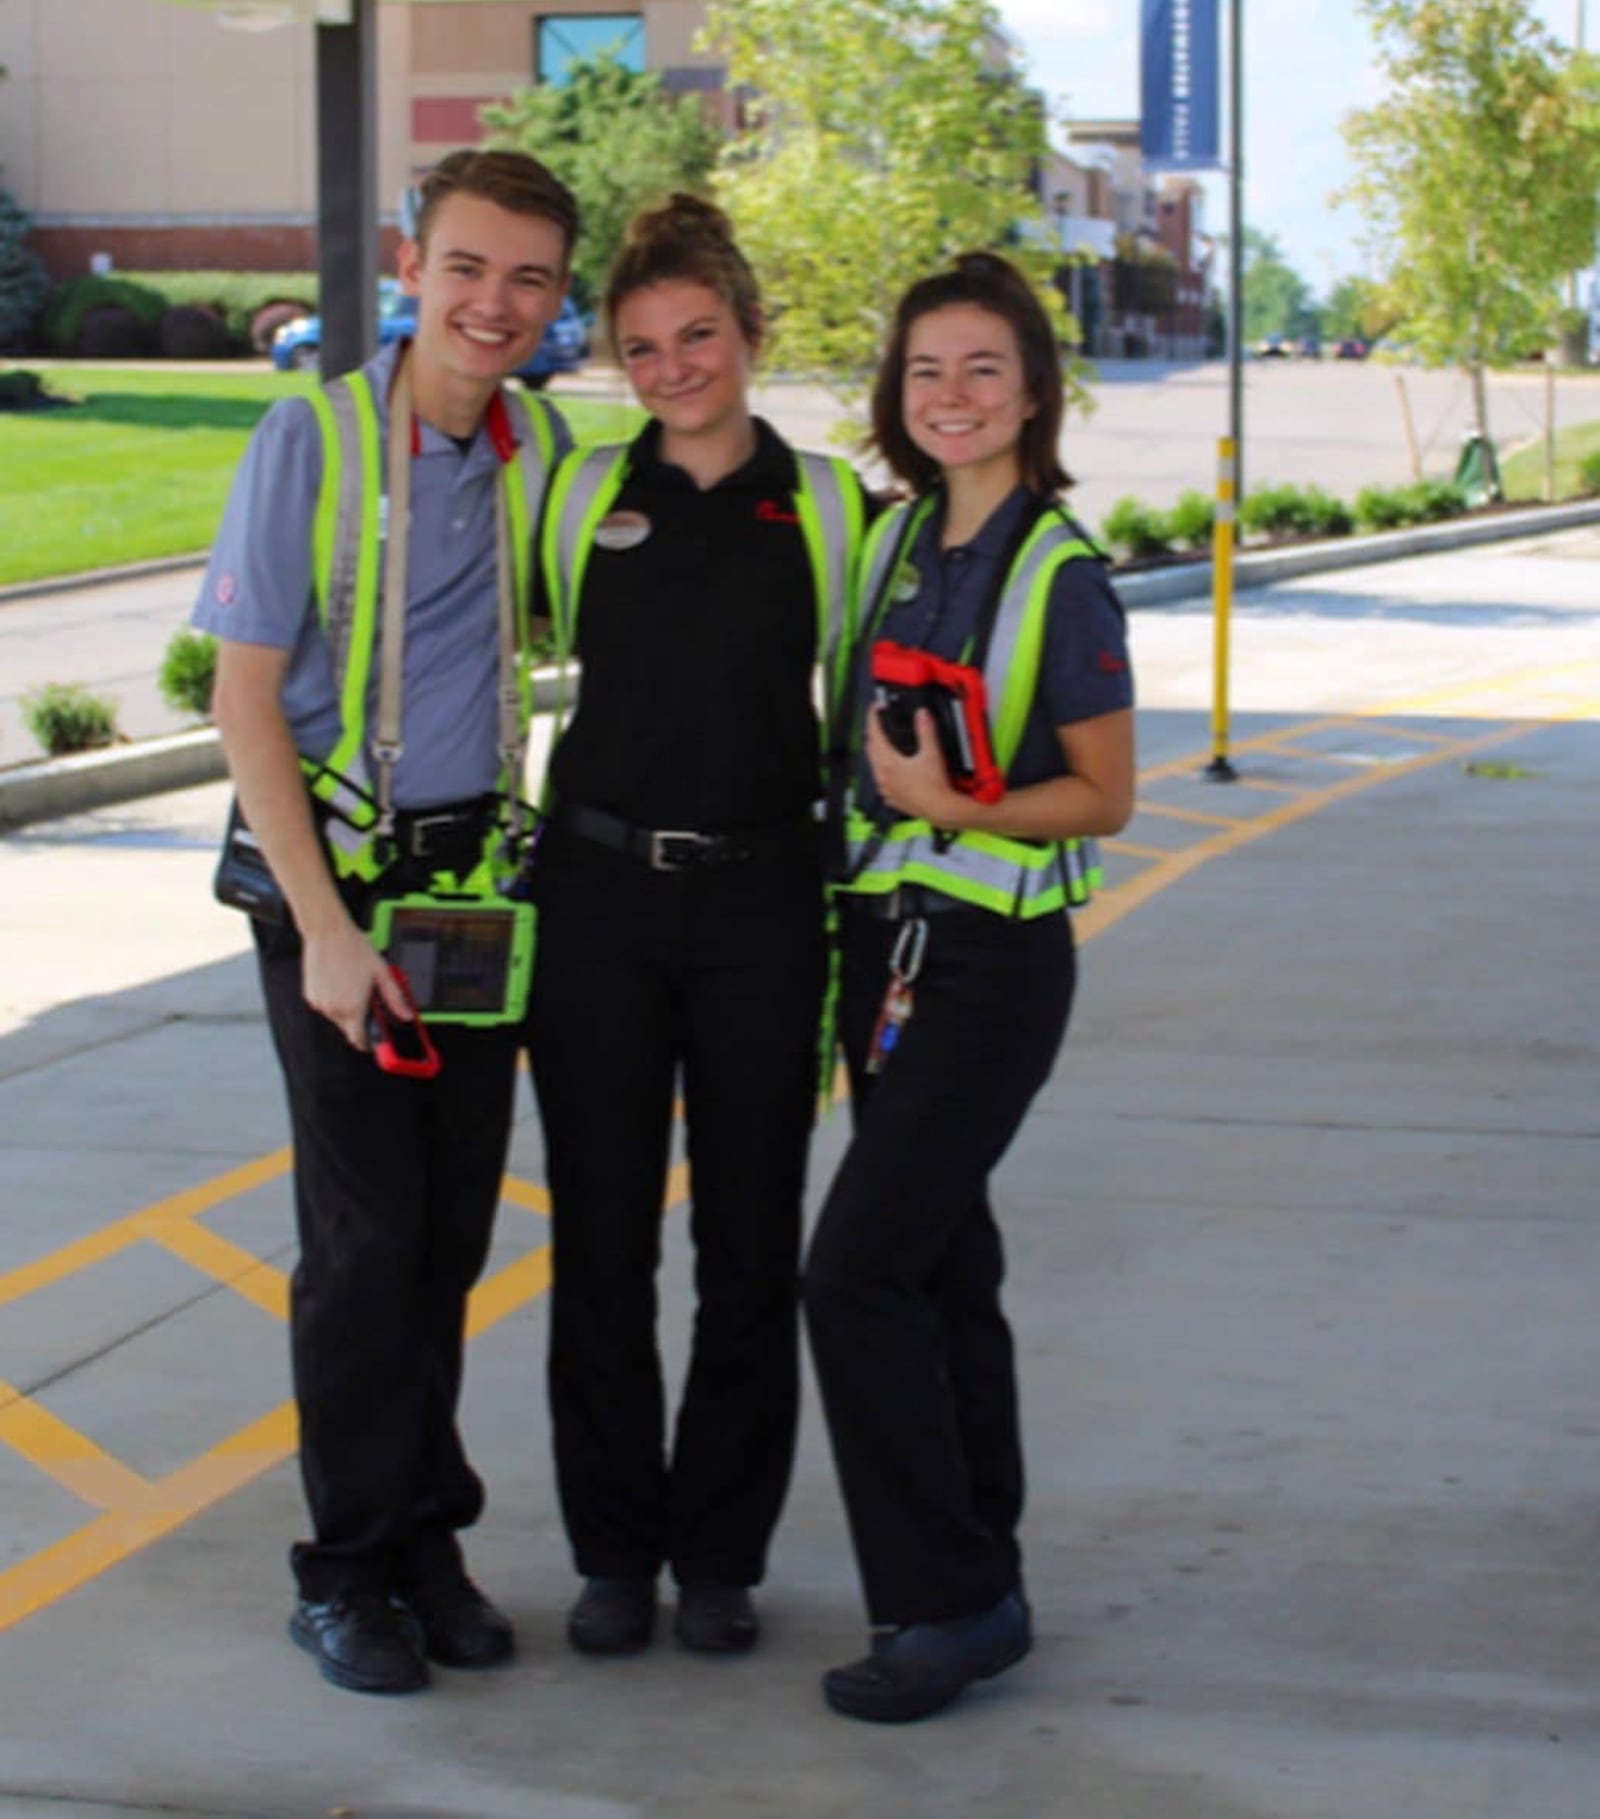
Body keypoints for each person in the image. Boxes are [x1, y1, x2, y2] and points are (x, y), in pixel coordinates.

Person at [193, 148, 579, 1695]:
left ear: (560, 301)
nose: (496, 305)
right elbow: (243, 703)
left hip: (469, 893)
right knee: (361, 1249)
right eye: (471, 268)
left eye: (532, 280)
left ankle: (429, 1540)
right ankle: (344, 1570)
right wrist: (326, 933)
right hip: (337, 897)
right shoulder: (314, 439)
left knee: (447, 1242)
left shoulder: (540, 448)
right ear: (414, 265)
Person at [525, 195, 866, 1660]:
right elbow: (528, 646)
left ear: (751, 334)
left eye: (697, 338)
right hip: (594, 905)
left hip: (761, 908)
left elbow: (855, 713)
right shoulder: (574, 496)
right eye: (640, 347)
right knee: (600, 1244)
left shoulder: (835, 506)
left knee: (748, 1245)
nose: (670, 368)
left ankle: (718, 1557)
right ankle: (613, 1554)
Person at [803, 251, 1136, 1723]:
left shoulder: (1064, 577)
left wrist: (958, 810)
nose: (951, 396)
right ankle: (986, 1567)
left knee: (855, 1270)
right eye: (926, 369)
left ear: (1035, 393)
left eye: (982, 369)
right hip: (885, 951)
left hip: (993, 965)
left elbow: (1109, 795)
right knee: (943, 1268)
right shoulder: (886, 548)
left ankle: (944, 1603)